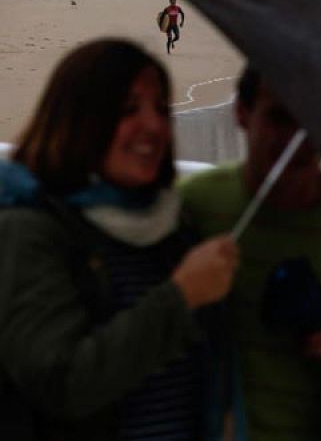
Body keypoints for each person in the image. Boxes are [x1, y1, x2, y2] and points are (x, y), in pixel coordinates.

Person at [0, 38, 239, 440]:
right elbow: (61, 384)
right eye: (129, 109)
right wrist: (181, 297)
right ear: (79, 120)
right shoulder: (30, 231)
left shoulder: (172, 228)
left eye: (161, 108)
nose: (154, 125)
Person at [181, 67, 321, 441]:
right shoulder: (197, 204)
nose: (296, 139)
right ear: (242, 112)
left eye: (313, 119)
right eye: (279, 117)